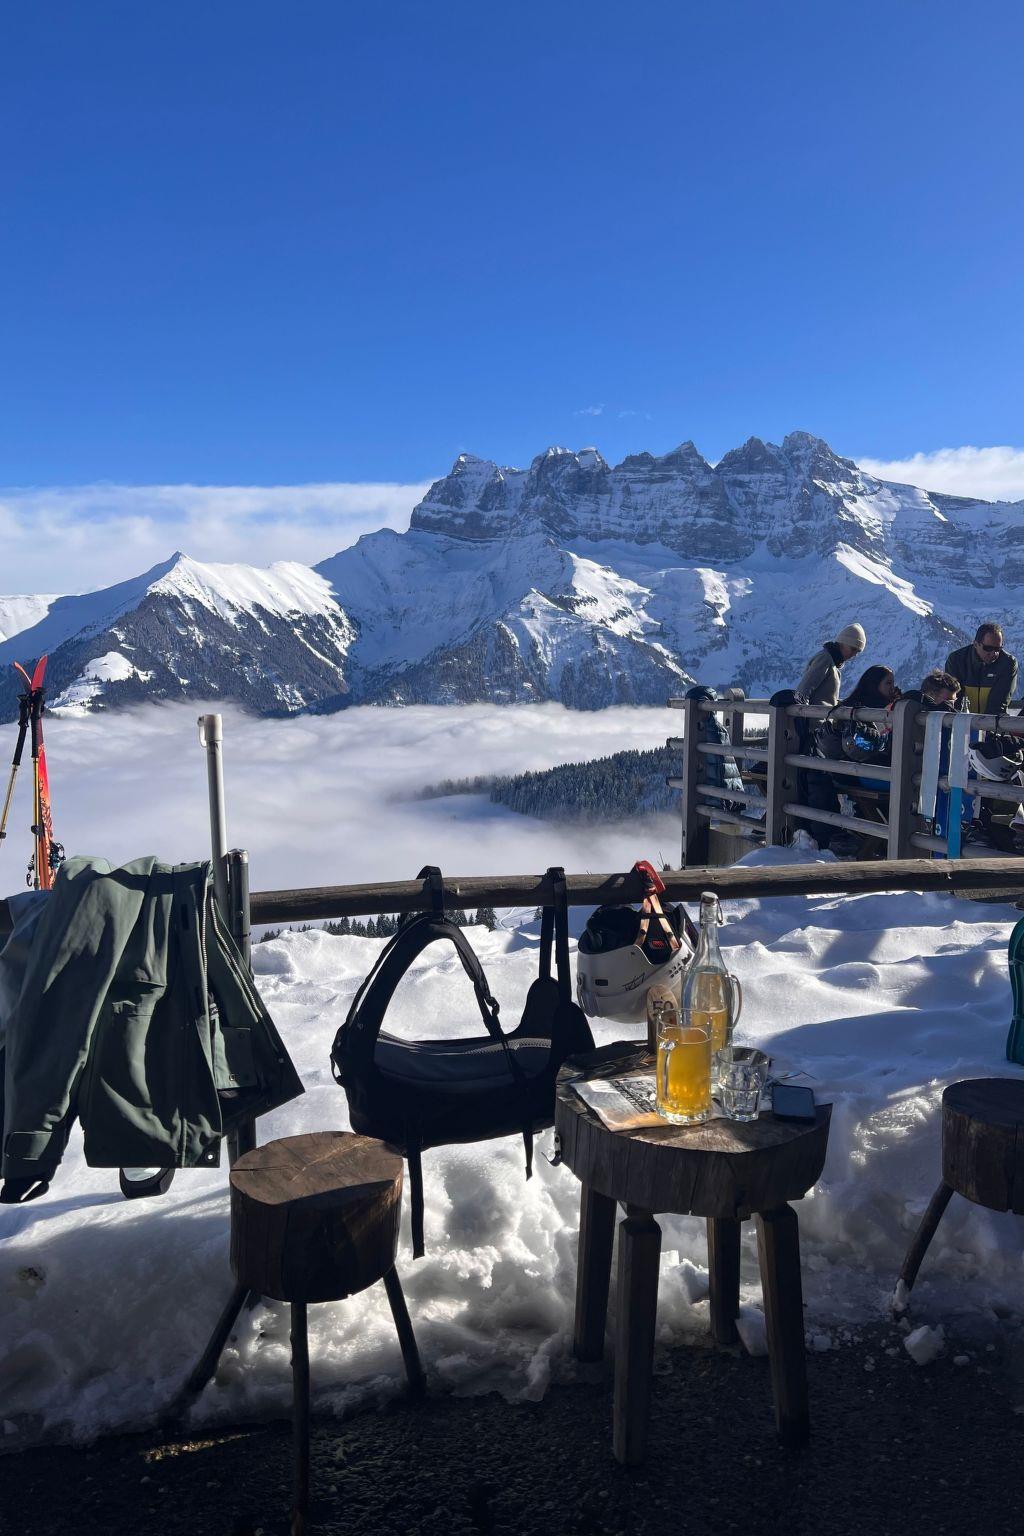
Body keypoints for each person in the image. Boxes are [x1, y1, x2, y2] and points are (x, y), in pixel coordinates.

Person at [945, 623, 1018, 716]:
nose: (994, 653)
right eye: (988, 648)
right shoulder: (956, 660)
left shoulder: (1007, 663)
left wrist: (987, 723)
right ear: (976, 644)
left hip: (990, 721)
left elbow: (999, 703)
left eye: (998, 649)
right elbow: (953, 697)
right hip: (961, 720)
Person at [795, 623, 867, 706]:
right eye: (853, 649)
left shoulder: (834, 665)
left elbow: (827, 700)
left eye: (857, 652)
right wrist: (803, 712)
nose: (854, 655)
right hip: (813, 714)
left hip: (821, 714)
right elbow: (804, 690)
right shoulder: (825, 659)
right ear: (842, 643)